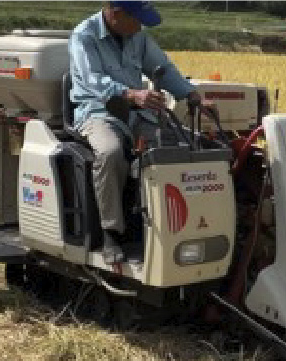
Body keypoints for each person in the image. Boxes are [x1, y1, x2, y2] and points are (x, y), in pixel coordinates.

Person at [69, 1, 214, 265]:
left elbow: (164, 68)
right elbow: (93, 82)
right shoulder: (84, 36)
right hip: (98, 112)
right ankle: (111, 231)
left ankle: (163, 224)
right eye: (137, 19)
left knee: (174, 146)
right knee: (111, 152)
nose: (140, 27)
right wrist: (132, 94)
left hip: (137, 113)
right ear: (115, 14)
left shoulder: (138, 37)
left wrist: (192, 95)